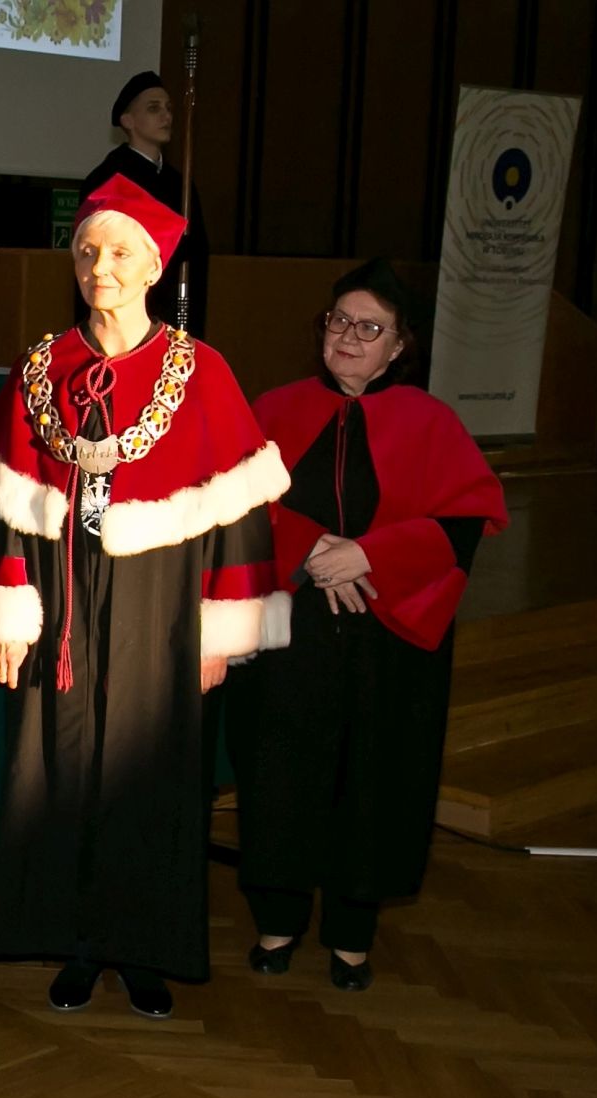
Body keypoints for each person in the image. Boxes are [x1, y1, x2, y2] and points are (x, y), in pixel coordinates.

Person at [0, 174, 287, 1020]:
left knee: (152, 770)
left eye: (118, 254)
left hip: (163, 600)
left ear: (154, 268)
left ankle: (143, 946)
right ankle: (73, 939)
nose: (99, 268)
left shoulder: (201, 372)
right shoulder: (41, 368)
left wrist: (223, 632)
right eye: (86, 252)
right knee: (59, 762)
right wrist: (7, 609)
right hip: (59, 592)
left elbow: (242, 514)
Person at [227, 259, 507, 993]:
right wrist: (312, 547)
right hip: (292, 629)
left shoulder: (431, 421)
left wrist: (367, 555)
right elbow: (230, 504)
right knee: (279, 772)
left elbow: (465, 522)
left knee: (375, 779)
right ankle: (278, 919)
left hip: (390, 634)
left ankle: (352, 933)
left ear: (400, 346)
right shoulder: (275, 408)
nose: (349, 337)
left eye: (370, 328)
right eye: (339, 321)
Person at [80, 72, 209, 336]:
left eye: (168, 109)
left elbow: (198, 249)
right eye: (153, 108)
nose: (166, 116)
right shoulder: (110, 180)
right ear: (128, 120)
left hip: (174, 310)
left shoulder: (180, 183)